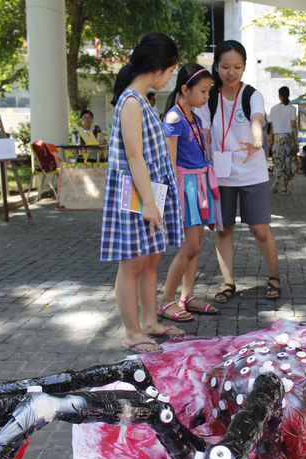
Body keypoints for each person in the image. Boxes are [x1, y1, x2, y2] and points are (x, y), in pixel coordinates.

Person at [100, 32, 184, 355]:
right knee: (132, 263)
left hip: (149, 191)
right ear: (158, 68)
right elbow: (134, 156)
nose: (169, 79)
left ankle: (150, 322)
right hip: (135, 194)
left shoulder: (140, 99)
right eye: (170, 71)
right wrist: (148, 202)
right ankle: (133, 331)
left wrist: (153, 198)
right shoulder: (131, 101)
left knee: (151, 259)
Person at [196, 40, 281, 302]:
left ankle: (275, 276)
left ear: (244, 68)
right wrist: (203, 162)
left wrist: (257, 141)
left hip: (251, 172)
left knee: (260, 229)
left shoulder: (252, 95)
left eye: (237, 66)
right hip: (220, 174)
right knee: (223, 230)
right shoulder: (208, 98)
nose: (231, 72)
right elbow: (207, 136)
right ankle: (228, 282)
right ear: (217, 67)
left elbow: (257, 119)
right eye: (225, 66)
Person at [159, 63, 220, 319]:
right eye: (203, 91)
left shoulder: (193, 115)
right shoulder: (175, 117)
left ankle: (187, 296)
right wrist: (172, 197)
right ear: (185, 89)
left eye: (208, 91)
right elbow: (169, 162)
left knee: (195, 247)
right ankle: (166, 300)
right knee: (189, 248)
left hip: (199, 183)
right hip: (186, 186)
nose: (207, 96)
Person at [269, 86, 298, 194]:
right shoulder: (292, 108)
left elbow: (272, 126)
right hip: (288, 137)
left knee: (277, 161)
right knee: (288, 163)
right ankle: (284, 188)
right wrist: (296, 140)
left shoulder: (273, 109)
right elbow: (294, 125)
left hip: (277, 137)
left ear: (279, 96)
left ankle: (277, 180)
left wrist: (271, 140)